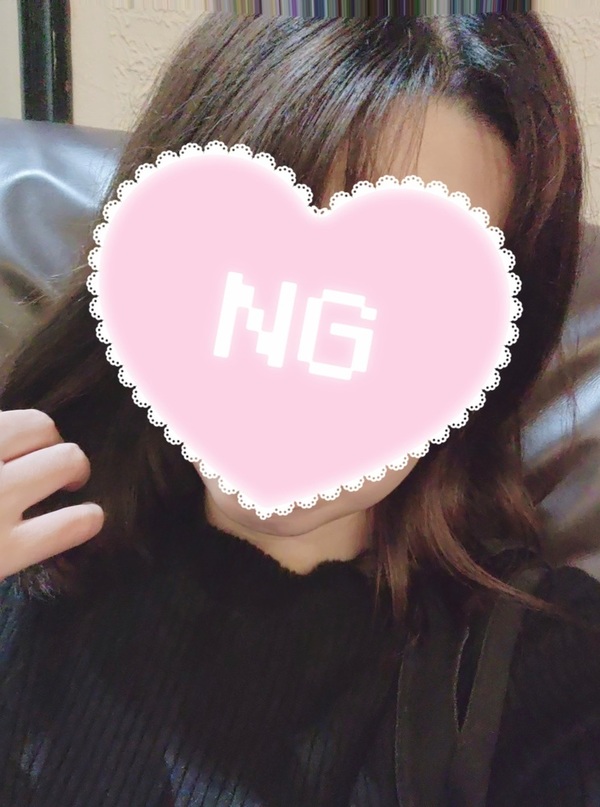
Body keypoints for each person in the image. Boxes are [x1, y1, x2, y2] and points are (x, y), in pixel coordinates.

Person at [1, 12, 600, 807]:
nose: (302, 335)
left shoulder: (542, 676)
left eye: (399, 294)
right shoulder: (22, 550)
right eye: (257, 265)